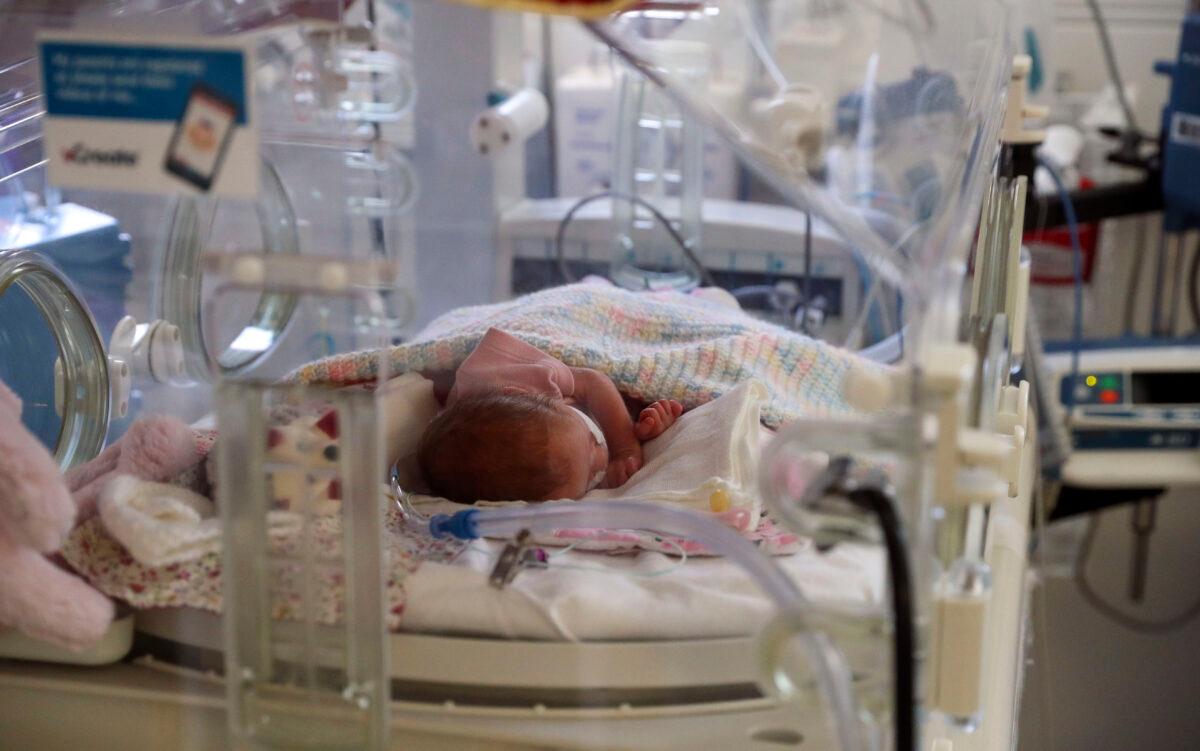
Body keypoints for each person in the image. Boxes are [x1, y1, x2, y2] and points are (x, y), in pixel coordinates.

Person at [417, 328, 682, 502]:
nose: (603, 458)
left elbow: (594, 381)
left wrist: (626, 445)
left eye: (591, 439)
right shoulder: (522, 474)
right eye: (591, 478)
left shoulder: (526, 380)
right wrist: (647, 430)